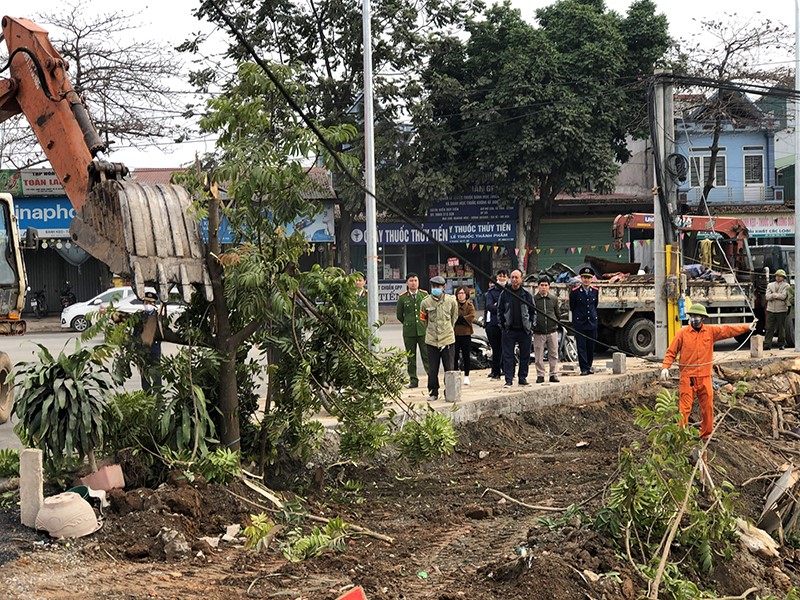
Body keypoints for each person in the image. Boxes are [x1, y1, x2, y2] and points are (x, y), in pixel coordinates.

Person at [660, 303, 755, 440]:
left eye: (697, 316)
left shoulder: (710, 331)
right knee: (684, 408)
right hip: (688, 377)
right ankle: (681, 437)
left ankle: (706, 435)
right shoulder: (682, 334)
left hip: (705, 377)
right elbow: (671, 352)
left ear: (703, 318)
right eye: (692, 316)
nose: (695, 318)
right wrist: (665, 367)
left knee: (708, 408)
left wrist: (747, 327)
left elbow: (727, 330)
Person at [113, 290, 162, 391]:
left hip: (154, 350)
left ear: (154, 304)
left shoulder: (159, 318)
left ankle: (158, 396)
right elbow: (131, 328)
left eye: (150, 303)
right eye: (146, 302)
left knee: (156, 373)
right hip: (141, 350)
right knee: (144, 374)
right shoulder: (139, 316)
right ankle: (147, 394)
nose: (147, 305)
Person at [419, 275, 458, 401]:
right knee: (432, 369)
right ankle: (433, 392)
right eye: (434, 286)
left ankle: (450, 392)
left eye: (438, 286)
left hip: (447, 339)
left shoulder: (451, 301)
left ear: (443, 287)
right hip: (431, 339)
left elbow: (453, 318)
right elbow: (424, 320)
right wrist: (431, 331)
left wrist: (448, 330)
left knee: (449, 368)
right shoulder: (425, 302)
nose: (436, 289)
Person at [497, 269, 535, 388]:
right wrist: (502, 325)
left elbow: (533, 312)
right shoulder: (505, 293)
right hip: (509, 330)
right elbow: (500, 310)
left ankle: (522, 378)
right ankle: (509, 379)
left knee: (525, 355)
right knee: (508, 356)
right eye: (512, 277)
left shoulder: (527, 294)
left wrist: (531, 326)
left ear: (521, 279)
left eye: (516, 277)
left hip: (524, 330)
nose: (514, 280)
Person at [396, 273, 429, 388]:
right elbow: (399, 315)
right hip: (409, 331)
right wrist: (407, 323)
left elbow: (428, 312)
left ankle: (431, 378)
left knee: (427, 355)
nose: (413, 283)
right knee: (411, 356)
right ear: (407, 283)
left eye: (415, 280)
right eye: (411, 280)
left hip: (423, 330)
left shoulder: (424, 295)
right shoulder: (403, 297)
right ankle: (413, 380)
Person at [532, 276, 565, 383]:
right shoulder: (534, 299)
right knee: (538, 354)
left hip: (552, 330)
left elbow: (557, 313)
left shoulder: (553, 299)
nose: (544, 288)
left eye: (546, 285)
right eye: (541, 285)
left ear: (549, 287)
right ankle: (540, 374)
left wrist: (555, 322)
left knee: (554, 353)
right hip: (538, 332)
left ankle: (553, 374)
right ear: (538, 286)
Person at [569, 266, 599, 376]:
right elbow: (572, 306)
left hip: (591, 322)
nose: (586, 280)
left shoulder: (595, 291)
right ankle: (584, 368)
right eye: (584, 277)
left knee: (591, 346)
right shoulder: (575, 292)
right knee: (581, 346)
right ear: (581, 279)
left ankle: (589, 366)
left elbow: (595, 305)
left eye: (588, 278)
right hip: (580, 322)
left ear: (591, 279)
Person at [484, 270, 508, 379]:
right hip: (493, 324)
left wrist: (498, 305)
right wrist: (501, 307)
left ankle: (507, 371)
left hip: (507, 324)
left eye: (504, 276)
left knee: (506, 349)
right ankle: (495, 371)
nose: (502, 278)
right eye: (500, 276)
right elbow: (489, 306)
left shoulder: (510, 290)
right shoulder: (491, 292)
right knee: (496, 349)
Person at [454, 286, 476, 385]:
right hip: (455, 333)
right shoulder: (454, 305)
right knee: (454, 356)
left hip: (466, 334)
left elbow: (471, 316)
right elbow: (452, 317)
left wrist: (462, 319)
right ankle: (455, 375)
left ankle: (467, 376)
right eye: (459, 293)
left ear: (466, 295)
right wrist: (461, 320)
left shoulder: (470, 305)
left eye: (462, 293)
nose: (461, 295)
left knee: (466, 355)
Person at [765, 269, 790, 350]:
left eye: (780, 276)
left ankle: (781, 344)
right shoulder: (770, 285)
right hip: (770, 309)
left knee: (781, 328)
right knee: (769, 327)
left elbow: (784, 296)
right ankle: (767, 344)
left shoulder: (786, 286)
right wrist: (774, 296)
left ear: (783, 277)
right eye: (777, 276)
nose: (778, 278)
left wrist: (774, 295)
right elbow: (767, 297)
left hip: (781, 309)